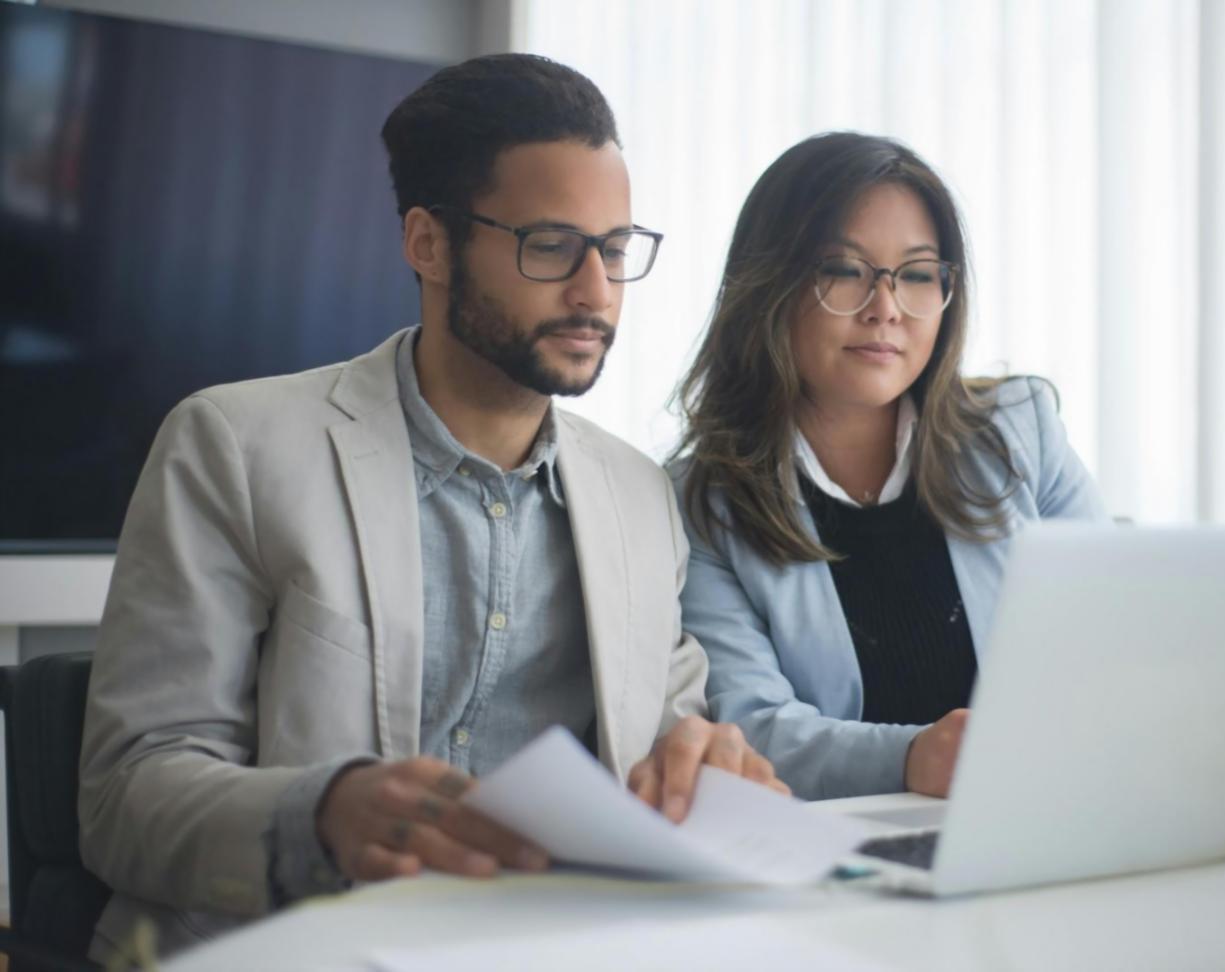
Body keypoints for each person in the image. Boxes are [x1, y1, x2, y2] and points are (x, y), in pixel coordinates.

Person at [78, 54, 782, 959]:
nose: (596, 292)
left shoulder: (640, 495)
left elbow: (670, 736)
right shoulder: (235, 446)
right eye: (551, 245)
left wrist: (708, 768)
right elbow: (122, 799)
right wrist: (322, 813)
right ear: (428, 244)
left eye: (614, 249)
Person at [671, 132, 1106, 802]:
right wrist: (910, 757)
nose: (886, 308)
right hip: (841, 860)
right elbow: (750, 731)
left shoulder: (1022, 431)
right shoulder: (702, 504)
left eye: (917, 274)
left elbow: (1113, 640)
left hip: (1046, 815)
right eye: (844, 270)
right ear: (769, 283)